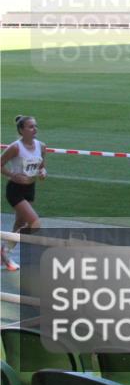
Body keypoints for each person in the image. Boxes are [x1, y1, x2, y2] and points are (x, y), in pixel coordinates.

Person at [1, 115, 47, 272]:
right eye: (30, 127)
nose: (35, 129)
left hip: (30, 189)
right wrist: (12, 175)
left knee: (20, 224)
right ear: (21, 130)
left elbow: (41, 166)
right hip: (15, 190)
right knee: (35, 223)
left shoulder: (41, 146)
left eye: (35, 126)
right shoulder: (15, 147)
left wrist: (42, 172)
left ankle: (5, 254)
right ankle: (4, 251)